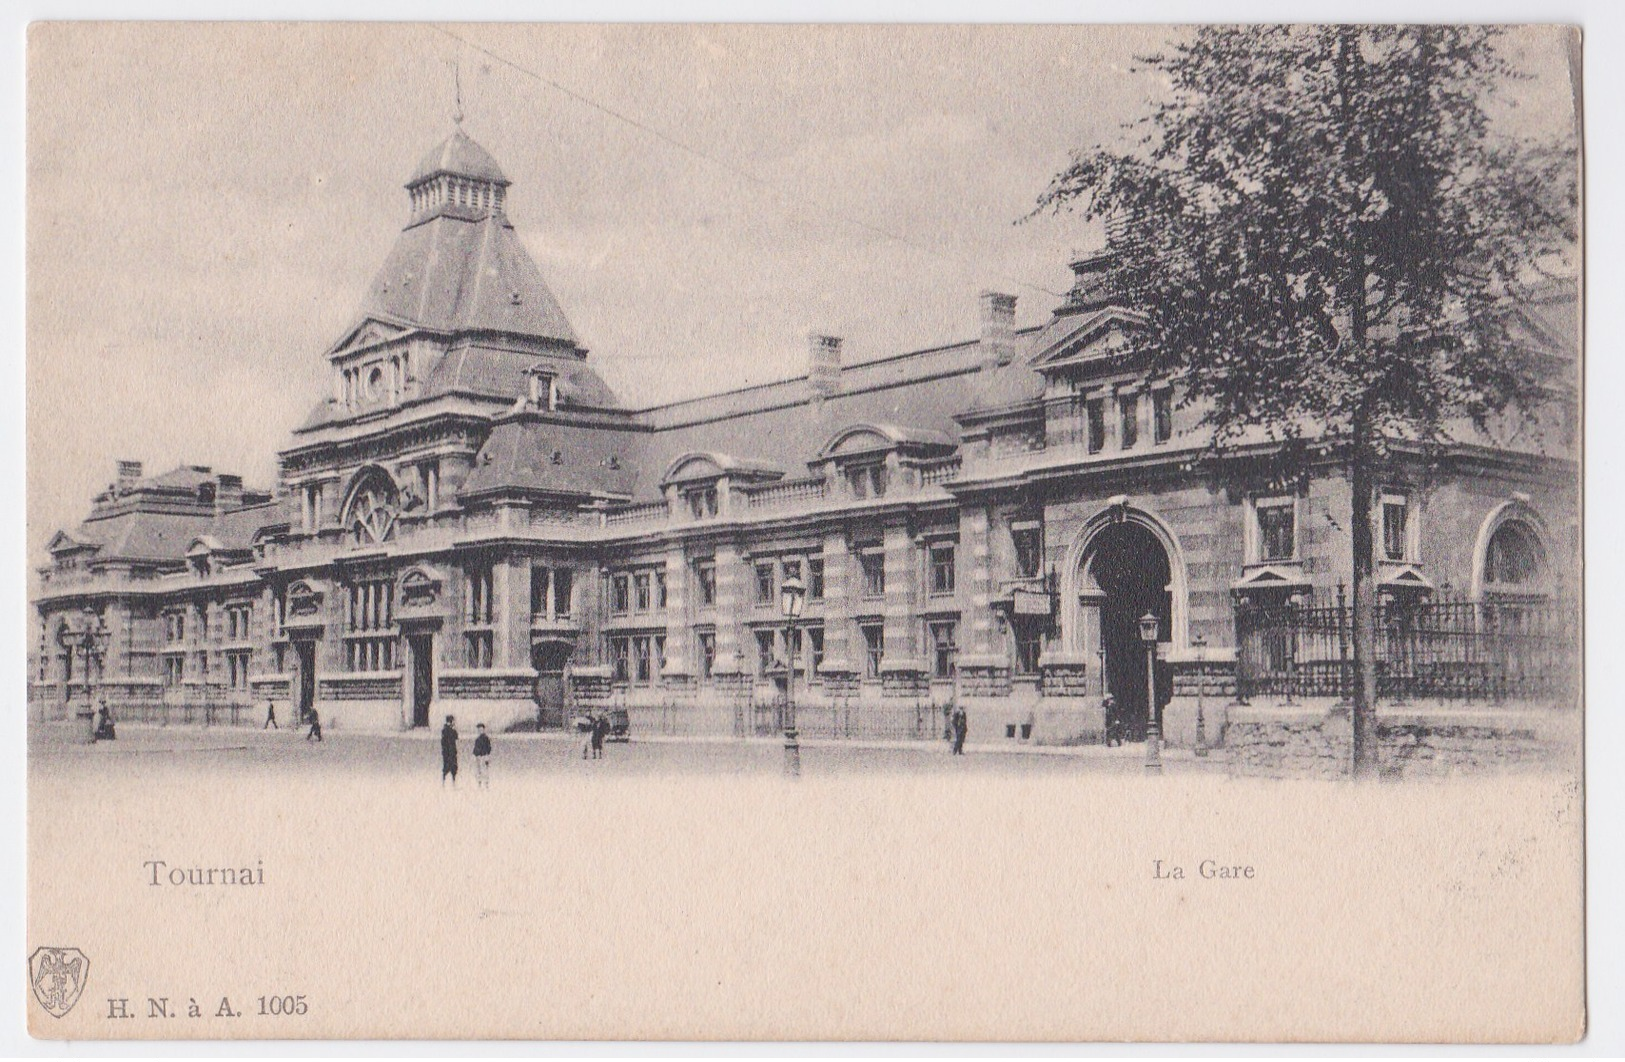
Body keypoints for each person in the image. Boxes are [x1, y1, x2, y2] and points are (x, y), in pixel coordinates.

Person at [441, 715, 459, 786]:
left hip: (446, 752)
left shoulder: (444, 730)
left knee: (446, 766)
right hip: (450, 751)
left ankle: (444, 782)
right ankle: (452, 783)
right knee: (452, 767)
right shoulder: (450, 730)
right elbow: (456, 737)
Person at [472, 723, 492, 789]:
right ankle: (479, 784)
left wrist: (487, 755)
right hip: (478, 757)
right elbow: (475, 748)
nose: (480, 731)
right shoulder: (477, 739)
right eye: (479, 730)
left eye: (481, 729)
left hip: (484, 756)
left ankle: (486, 784)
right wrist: (474, 755)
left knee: (485, 771)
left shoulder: (486, 738)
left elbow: (489, 748)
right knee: (479, 770)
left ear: (483, 730)